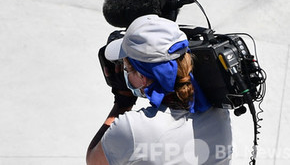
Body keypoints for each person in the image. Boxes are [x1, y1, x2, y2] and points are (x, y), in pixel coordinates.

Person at [86, 15, 233, 165]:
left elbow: (94, 161)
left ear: (142, 77)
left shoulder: (133, 127)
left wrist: (122, 102)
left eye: (126, 68)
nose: (125, 74)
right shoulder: (219, 113)